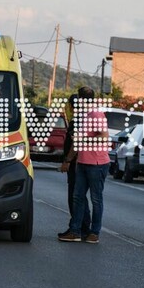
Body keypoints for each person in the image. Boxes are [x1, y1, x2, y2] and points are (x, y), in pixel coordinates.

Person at [58, 86, 109, 244]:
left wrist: (83, 141)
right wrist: (68, 160)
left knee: (96, 199)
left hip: (97, 163)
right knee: (77, 197)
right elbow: (76, 143)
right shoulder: (85, 115)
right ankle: (75, 231)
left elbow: (103, 137)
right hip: (82, 162)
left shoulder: (96, 114)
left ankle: (94, 233)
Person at [58, 93, 91, 239]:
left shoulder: (77, 120)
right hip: (82, 163)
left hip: (76, 164)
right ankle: (83, 228)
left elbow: (75, 143)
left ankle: (78, 228)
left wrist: (68, 161)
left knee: (75, 197)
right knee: (80, 196)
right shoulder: (84, 118)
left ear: (71, 106)